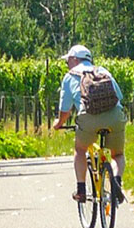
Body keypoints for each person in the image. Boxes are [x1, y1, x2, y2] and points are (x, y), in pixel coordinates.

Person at [52, 44, 126, 203]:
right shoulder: (103, 71)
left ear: (74, 59)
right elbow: (119, 96)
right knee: (118, 154)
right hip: (114, 115)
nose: (67, 64)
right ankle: (117, 182)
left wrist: (58, 124)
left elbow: (65, 111)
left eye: (67, 61)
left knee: (80, 150)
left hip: (88, 118)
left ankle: (81, 190)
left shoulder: (69, 77)